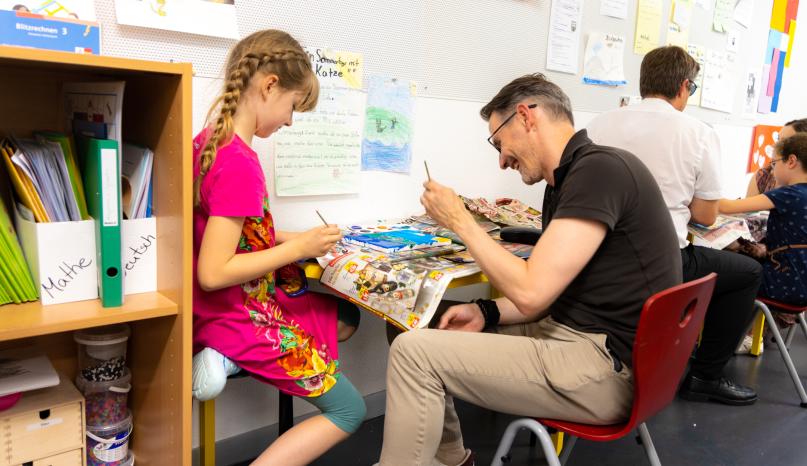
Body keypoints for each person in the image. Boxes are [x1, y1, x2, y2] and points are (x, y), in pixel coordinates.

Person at [375, 73, 681, 466]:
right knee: (410, 321)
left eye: (499, 143)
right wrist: (485, 311)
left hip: (604, 369)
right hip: (578, 338)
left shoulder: (599, 171)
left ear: (525, 116)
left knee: (413, 353)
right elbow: (548, 293)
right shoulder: (570, 178)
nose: (502, 160)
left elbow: (533, 292)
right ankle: (451, 458)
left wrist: (461, 221)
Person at [191, 30, 364, 466]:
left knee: (344, 317)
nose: (289, 121)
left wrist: (304, 240)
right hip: (234, 311)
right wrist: (299, 246)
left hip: (222, 306)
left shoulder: (211, 142)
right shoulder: (239, 164)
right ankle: (227, 352)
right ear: (269, 85)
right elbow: (213, 272)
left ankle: (226, 357)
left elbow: (236, 233)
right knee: (351, 409)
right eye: (292, 107)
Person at [587, 45, 762, 406]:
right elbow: (706, 216)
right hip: (661, 263)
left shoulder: (598, 123)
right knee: (746, 272)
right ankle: (705, 374)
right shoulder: (697, 133)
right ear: (684, 86)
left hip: (594, 256)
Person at [721, 134, 807, 306]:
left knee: (719, 271)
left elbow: (726, 207)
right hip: (802, 284)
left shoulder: (787, 194)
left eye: (774, 163)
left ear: (791, 161)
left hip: (783, 283)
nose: (772, 170)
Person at [746, 118, 807, 197]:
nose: (774, 146)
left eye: (784, 142)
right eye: (778, 139)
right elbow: (744, 207)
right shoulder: (763, 177)